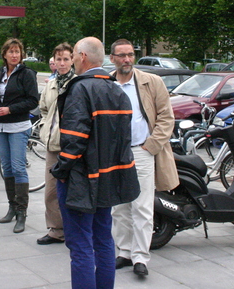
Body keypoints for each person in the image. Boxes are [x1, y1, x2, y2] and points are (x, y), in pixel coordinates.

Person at [51, 36, 140, 289]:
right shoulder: (117, 90)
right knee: (103, 240)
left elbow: (74, 141)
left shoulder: (81, 89)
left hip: (81, 180)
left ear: (82, 57)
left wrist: (60, 170)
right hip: (108, 178)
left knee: (80, 245)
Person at [109, 39, 179, 277]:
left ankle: (140, 257)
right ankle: (124, 252)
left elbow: (166, 118)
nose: (127, 59)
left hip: (142, 150)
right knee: (118, 207)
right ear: (112, 59)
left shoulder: (152, 82)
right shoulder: (107, 83)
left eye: (130, 55)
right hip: (114, 154)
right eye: (121, 55)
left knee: (142, 206)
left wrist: (150, 146)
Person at [0, 38, 39, 233]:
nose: (14, 55)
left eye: (17, 51)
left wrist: (9, 109)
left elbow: (32, 100)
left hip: (18, 125)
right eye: (11, 52)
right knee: (6, 167)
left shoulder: (27, 74)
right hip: (0, 126)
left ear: (21, 54)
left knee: (18, 167)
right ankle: (11, 206)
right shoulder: (1, 73)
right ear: (4, 54)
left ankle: (21, 213)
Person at [37, 43, 75, 245]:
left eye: (66, 59)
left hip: (73, 146)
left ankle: (74, 230)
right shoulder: (51, 85)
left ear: (72, 60)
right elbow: (43, 109)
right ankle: (56, 229)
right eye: (58, 59)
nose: (62, 63)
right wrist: (45, 128)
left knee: (73, 189)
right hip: (53, 146)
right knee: (51, 191)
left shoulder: (78, 83)